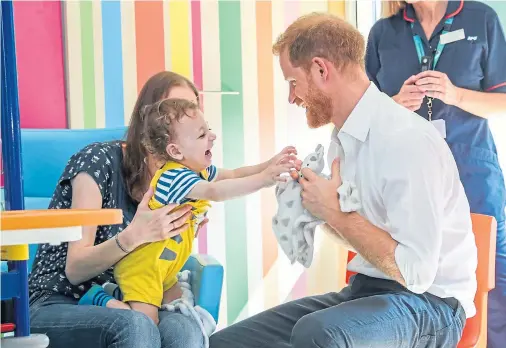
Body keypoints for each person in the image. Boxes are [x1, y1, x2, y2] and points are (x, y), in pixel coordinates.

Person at [209, 12, 478, 348]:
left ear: (322, 70)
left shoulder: (405, 140)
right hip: (370, 290)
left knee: (317, 333)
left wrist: (335, 212)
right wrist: (315, 207)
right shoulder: (344, 137)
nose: (292, 98)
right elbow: (365, 238)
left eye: (293, 83)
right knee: (226, 343)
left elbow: (417, 274)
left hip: (434, 305)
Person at [27, 71, 291, 348]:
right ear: (150, 121)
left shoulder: (183, 177)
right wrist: (134, 236)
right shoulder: (97, 161)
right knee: (136, 327)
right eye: (175, 108)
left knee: (185, 331)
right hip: (61, 298)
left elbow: (230, 178)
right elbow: (75, 270)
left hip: (127, 294)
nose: (187, 115)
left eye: (193, 110)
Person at [78, 98, 296, 327]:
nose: (212, 136)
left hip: (166, 266)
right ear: (176, 150)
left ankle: (118, 294)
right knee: (146, 325)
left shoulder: (199, 170)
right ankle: (102, 298)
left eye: (208, 129)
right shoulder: (174, 176)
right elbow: (215, 191)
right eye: (202, 135)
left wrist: (268, 164)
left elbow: (233, 174)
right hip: (143, 269)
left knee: (180, 314)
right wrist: (264, 179)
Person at [365, 1, 506, 346]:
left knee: (491, 265)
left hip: (471, 166)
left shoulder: (481, 19)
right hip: (405, 174)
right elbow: (362, 111)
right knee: (410, 265)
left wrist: (456, 94)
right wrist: (394, 104)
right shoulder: (383, 33)